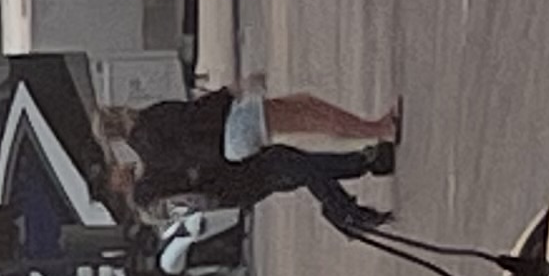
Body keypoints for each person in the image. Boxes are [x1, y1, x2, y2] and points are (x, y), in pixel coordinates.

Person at [97, 80, 402, 216]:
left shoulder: (149, 172)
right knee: (309, 114)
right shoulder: (150, 126)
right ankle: (375, 131)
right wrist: (230, 91)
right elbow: (194, 117)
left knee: (295, 163)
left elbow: (192, 200)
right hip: (230, 133)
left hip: (233, 176)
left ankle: (368, 158)